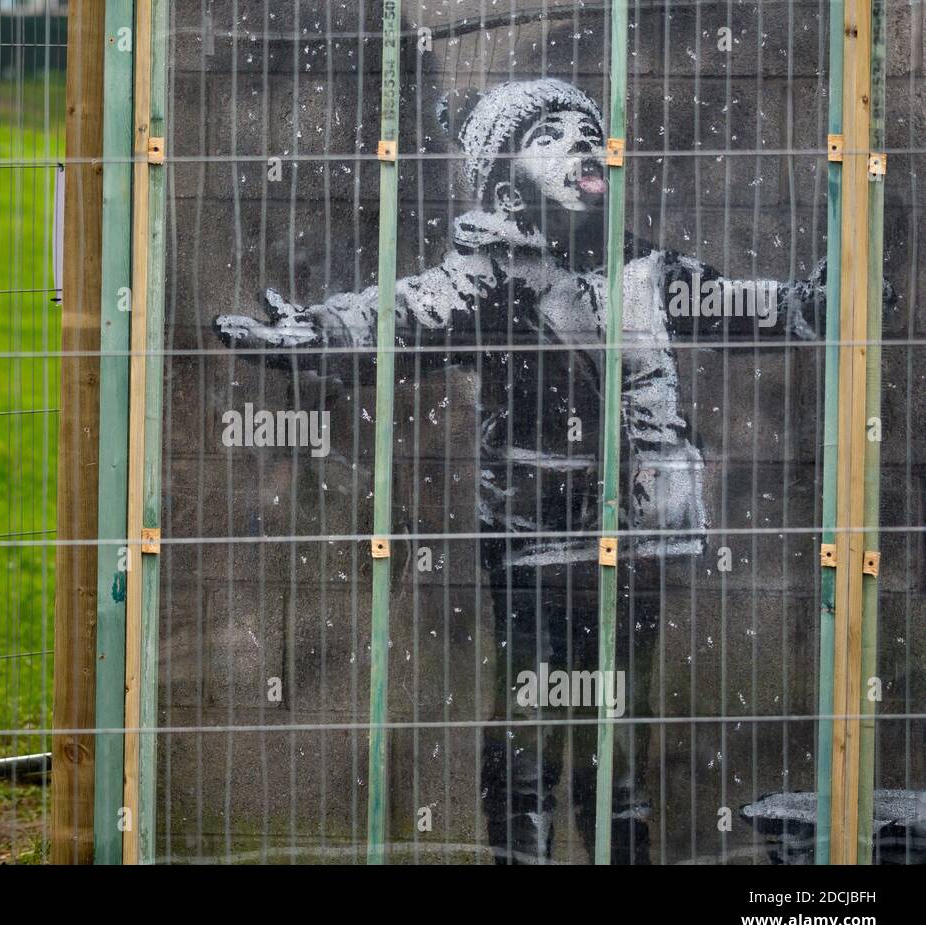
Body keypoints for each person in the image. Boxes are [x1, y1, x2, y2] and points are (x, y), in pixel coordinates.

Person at [215, 79, 824, 863]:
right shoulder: (495, 273)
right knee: (532, 718)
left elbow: (737, 303)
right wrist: (325, 329)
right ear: (506, 192)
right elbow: (410, 310)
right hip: (541, 541)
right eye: (551, 134)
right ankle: (524, 852)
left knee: (614, 719)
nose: (581, 141)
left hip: (639, 542)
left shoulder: (645, 268)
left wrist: (812, 301)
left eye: (588, 129)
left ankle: (622, 849)